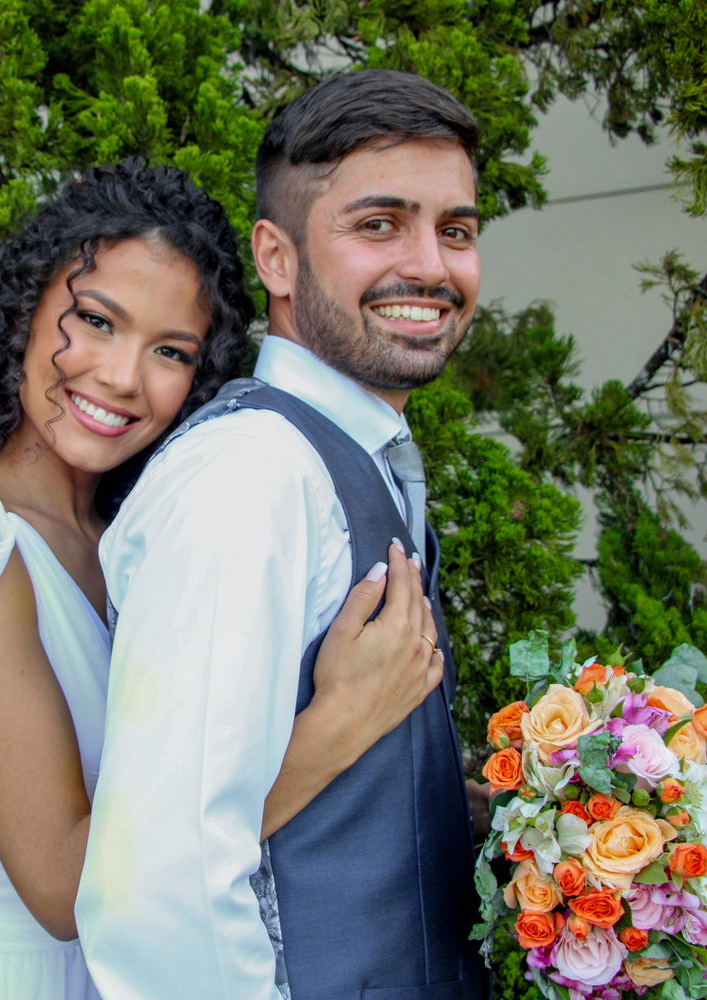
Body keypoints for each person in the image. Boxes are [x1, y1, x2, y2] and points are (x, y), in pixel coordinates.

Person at [0, 160, 447, 1000]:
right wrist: (335, 728)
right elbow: (59, 889)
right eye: (95, 320)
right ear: (26, 311)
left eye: (169, 351)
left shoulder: (127, 536)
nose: (123, 378)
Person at [76, 71, 493, 1000]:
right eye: (378, 224)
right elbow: (165, 882)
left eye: (455, 230)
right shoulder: (251, 476)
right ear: (276, 256)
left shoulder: (357, 456)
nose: (430, 265)